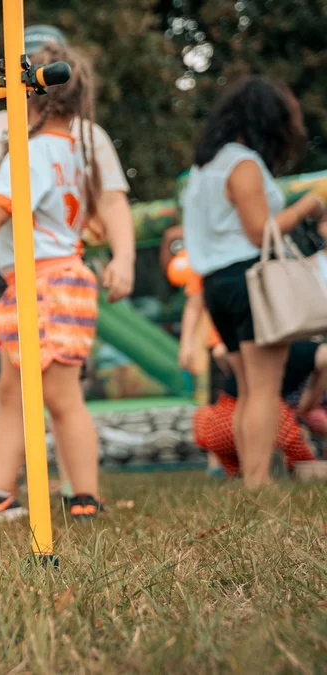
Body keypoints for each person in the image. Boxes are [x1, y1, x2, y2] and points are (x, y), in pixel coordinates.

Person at [0, 25, 135, 507]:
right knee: (10, 392)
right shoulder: (74, 149)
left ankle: (83, 494)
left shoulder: (34, 151)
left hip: (48, 284)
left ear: (34, 98)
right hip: (41, 281)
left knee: (59, 396)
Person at [181, 76, 325, 488]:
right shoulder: (241, 164)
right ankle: (258, 483)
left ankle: (249, 477)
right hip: (252, 281)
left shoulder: (203, 167)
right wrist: (305, 207)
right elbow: (260, 233)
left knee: (247, 389)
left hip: (216, 285)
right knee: (264, 389)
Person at [193, 341, 325, 477]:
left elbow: (219, 352)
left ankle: (225, 469)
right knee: (296, 450)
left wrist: (234, 373)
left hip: (219, 427)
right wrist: (307, 407)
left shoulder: (255, 338)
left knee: (207, 415)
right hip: (266, 415)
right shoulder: (314, 349)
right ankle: (264, 473)